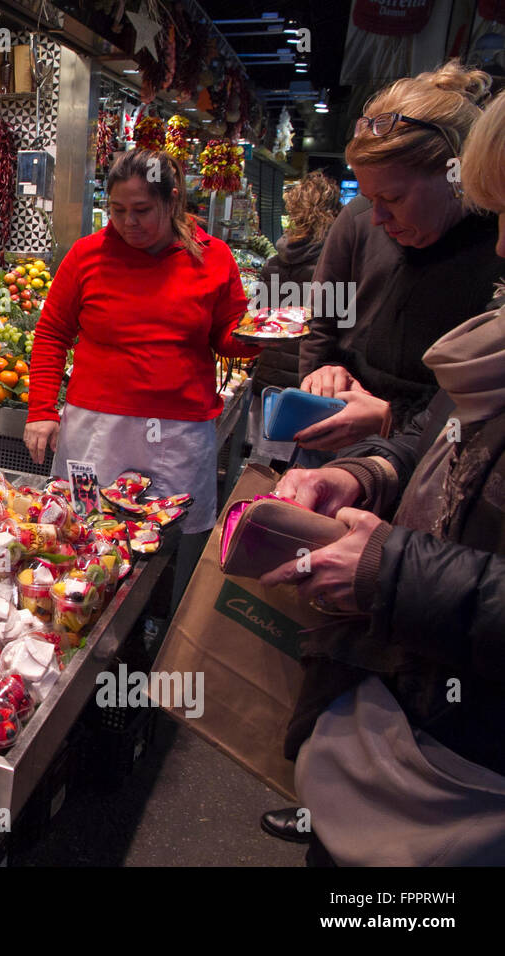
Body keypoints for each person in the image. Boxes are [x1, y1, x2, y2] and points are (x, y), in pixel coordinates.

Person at [257, 88, 505, 866]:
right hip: (409, 547)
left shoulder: (480, 253)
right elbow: (451, 426)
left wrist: (390, 564)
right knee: (343, 677)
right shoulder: (361, 229)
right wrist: (366, 469)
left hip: (469, 741)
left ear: (457, 181)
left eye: (395, 196)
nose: (502, 248)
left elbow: (440, 416)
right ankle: (330, 796)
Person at [23, 149, 260, 537]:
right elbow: (52, 333)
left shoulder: (212, 258)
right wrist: (42, 409)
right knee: (82, 530)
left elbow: (226, 335)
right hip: (95, 431)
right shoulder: (86, 256)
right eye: (117, 210)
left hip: (178, 434)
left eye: (142, 209)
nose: (128, 222)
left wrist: (256, 338)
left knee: (166, 544)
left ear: (172, 201)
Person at [293, 60, 503, 453]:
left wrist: (389, 419)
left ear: (456, 175)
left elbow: (482, 402)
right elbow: (323, 321)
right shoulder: (357, 219)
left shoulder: (495, 246)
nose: (378, 217)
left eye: (393, 198)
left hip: (431, 451)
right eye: (370, 199)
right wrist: (321, 377)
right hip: (337, 432)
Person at [252, 171, 342, 394]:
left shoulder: (272, 263)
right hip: (312, 389)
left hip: (268, 383)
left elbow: (256, 322)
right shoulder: (338, 267)